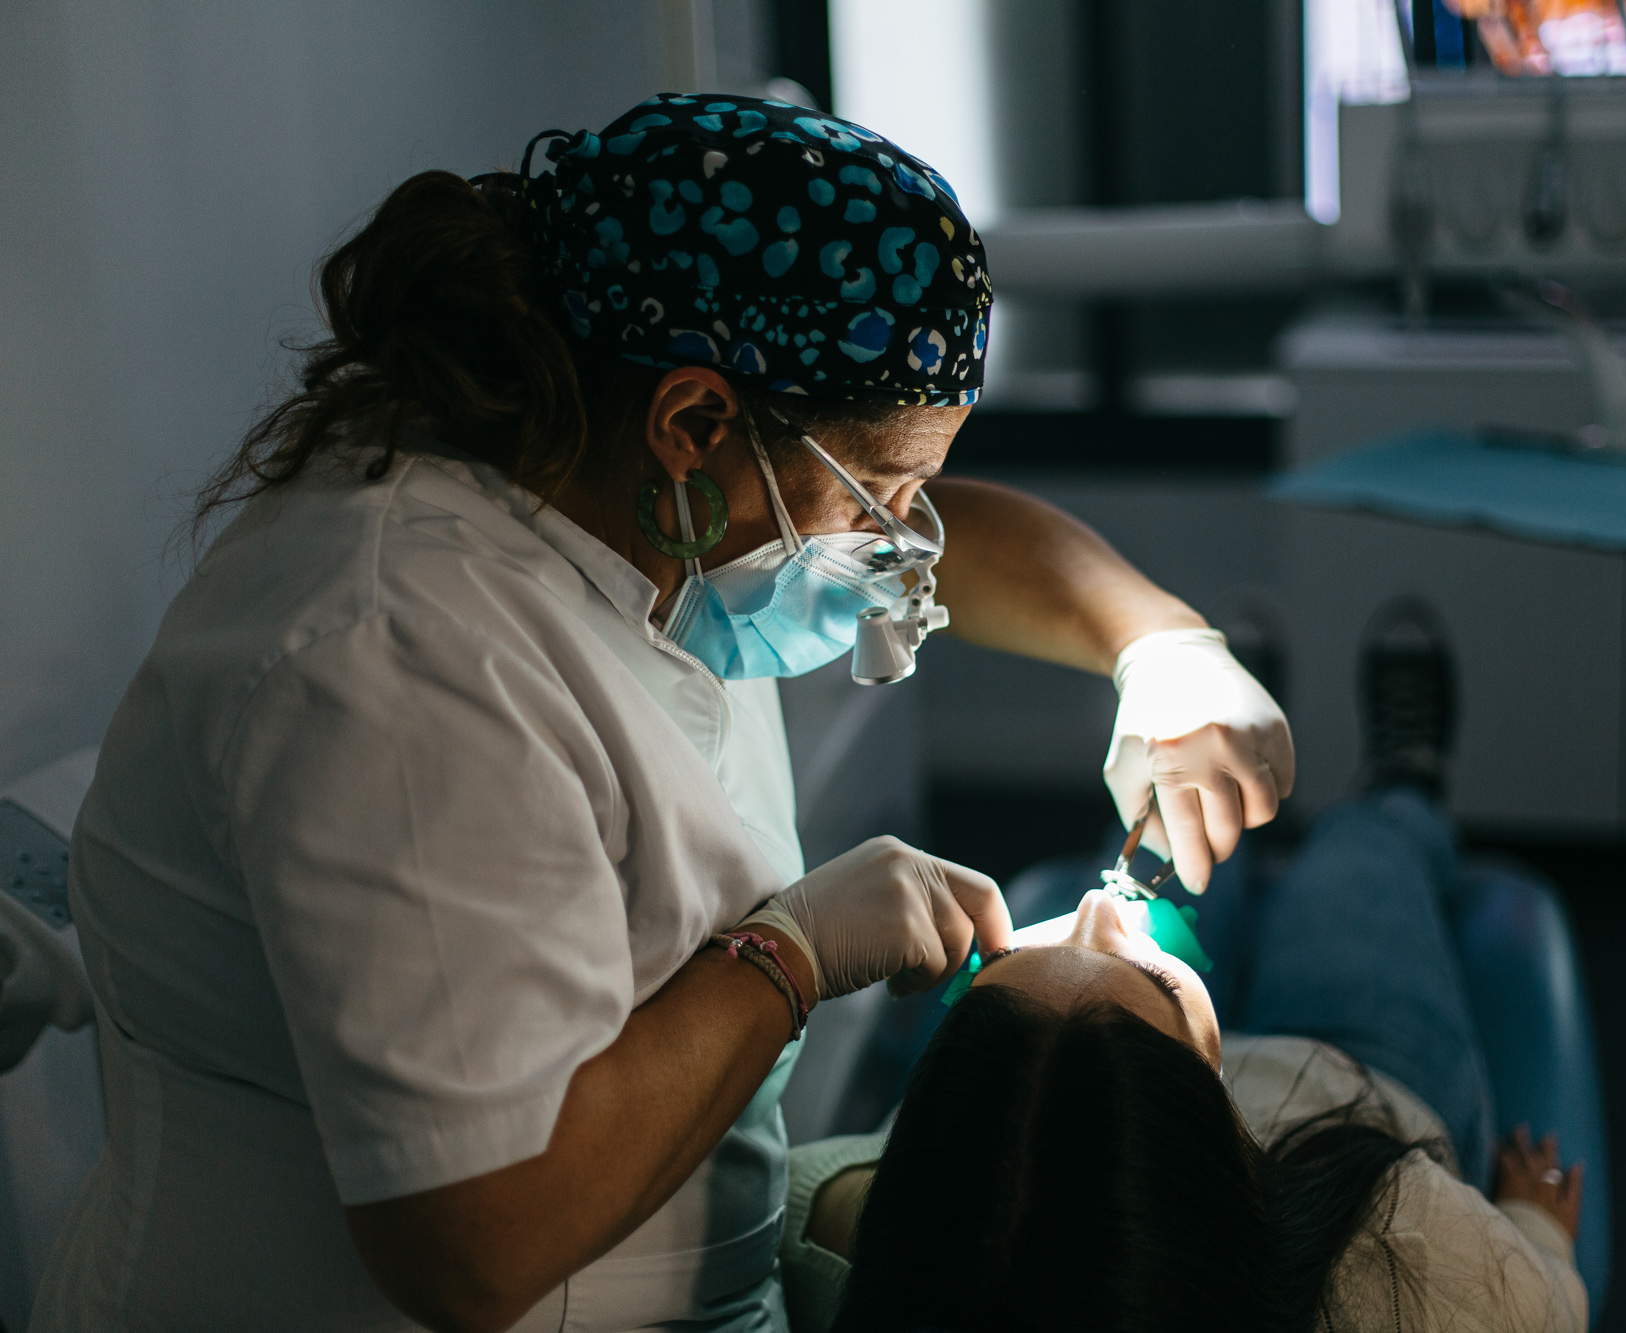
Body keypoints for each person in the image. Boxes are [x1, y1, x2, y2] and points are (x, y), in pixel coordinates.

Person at [31, 96, 1291, 1333]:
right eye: (883, 494)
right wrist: (786, 958)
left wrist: (1158, 643)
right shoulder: (400, 654)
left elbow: (949, 548)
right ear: (692, 422)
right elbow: (470, 1247)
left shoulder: (616, 491)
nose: (905, 544)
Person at [782, 602, 1588, 1333]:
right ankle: (1402, 787)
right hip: (1355, 1089)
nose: (1098, 912)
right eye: (1154, 978)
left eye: (1004, 965)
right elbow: (1546, 1297)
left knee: (1180, 815)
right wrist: (1534, 1222)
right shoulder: (1407, 1253)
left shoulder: (825, 1220)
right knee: (1361, 857)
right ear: (1209, 1094)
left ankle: (1240, 737)